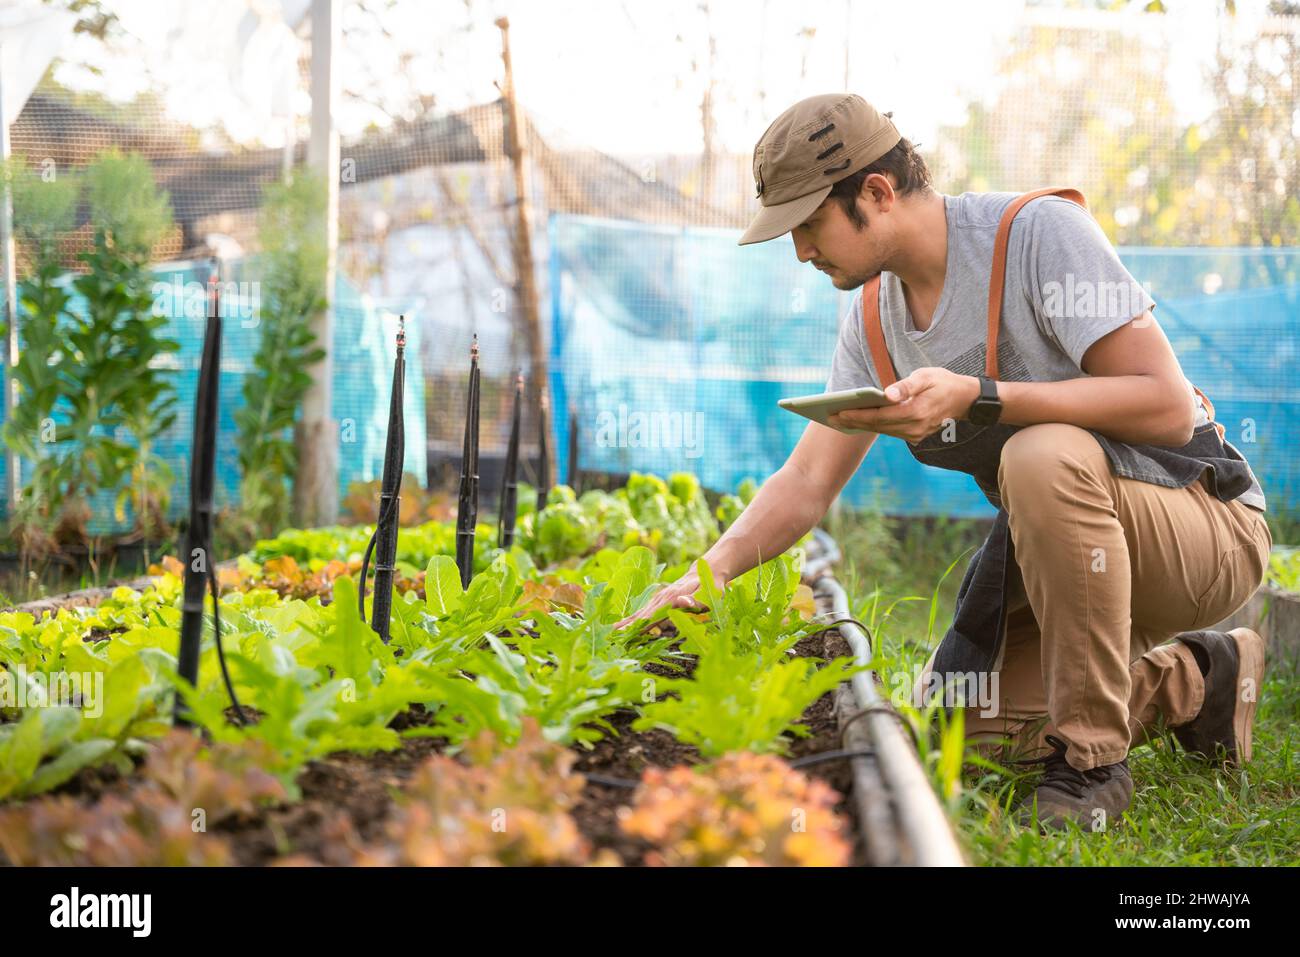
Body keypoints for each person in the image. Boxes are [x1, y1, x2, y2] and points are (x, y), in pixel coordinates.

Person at [618, 93, 1271, 832]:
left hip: (1202, 526)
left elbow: (1166, 403)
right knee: (968, 732)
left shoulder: (1035, 236)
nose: (801, 251)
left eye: (809, 224)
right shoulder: (873, 317)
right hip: (1075, 556)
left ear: (876, 192)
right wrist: (706, 576)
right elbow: (806, 480)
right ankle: (1203, 679)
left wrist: (979, 396)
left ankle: (1093, 764)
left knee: (1040, 451)